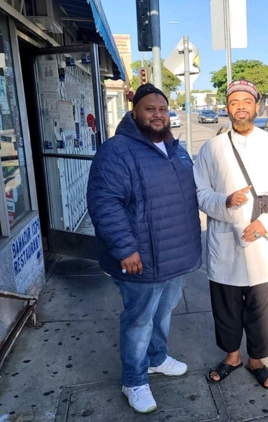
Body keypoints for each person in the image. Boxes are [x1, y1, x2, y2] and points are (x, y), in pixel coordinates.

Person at [87, 83, 202, 414]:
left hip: (175, 256)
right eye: (150, 109)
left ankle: (156, 358)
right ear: (134, 111)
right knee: (138, 321)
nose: (157, 114)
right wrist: (125, 249)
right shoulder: (117, 150)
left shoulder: (176, 149)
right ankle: (133, 381)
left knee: (163, 312)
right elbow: (104, 203)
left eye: (163, 109)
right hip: (140, 259)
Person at [193, 79, 268, 389]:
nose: (240, 106)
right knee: (226, 307)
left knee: (261, 309)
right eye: (234, 101)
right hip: (225, 240)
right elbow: (200, 193)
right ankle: (232, 357)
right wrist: (224, 201)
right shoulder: (211, 148)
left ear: (257, 106)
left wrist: (266, 225)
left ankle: (256, 360)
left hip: (264, 243)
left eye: (246, 101)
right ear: (226, 108)